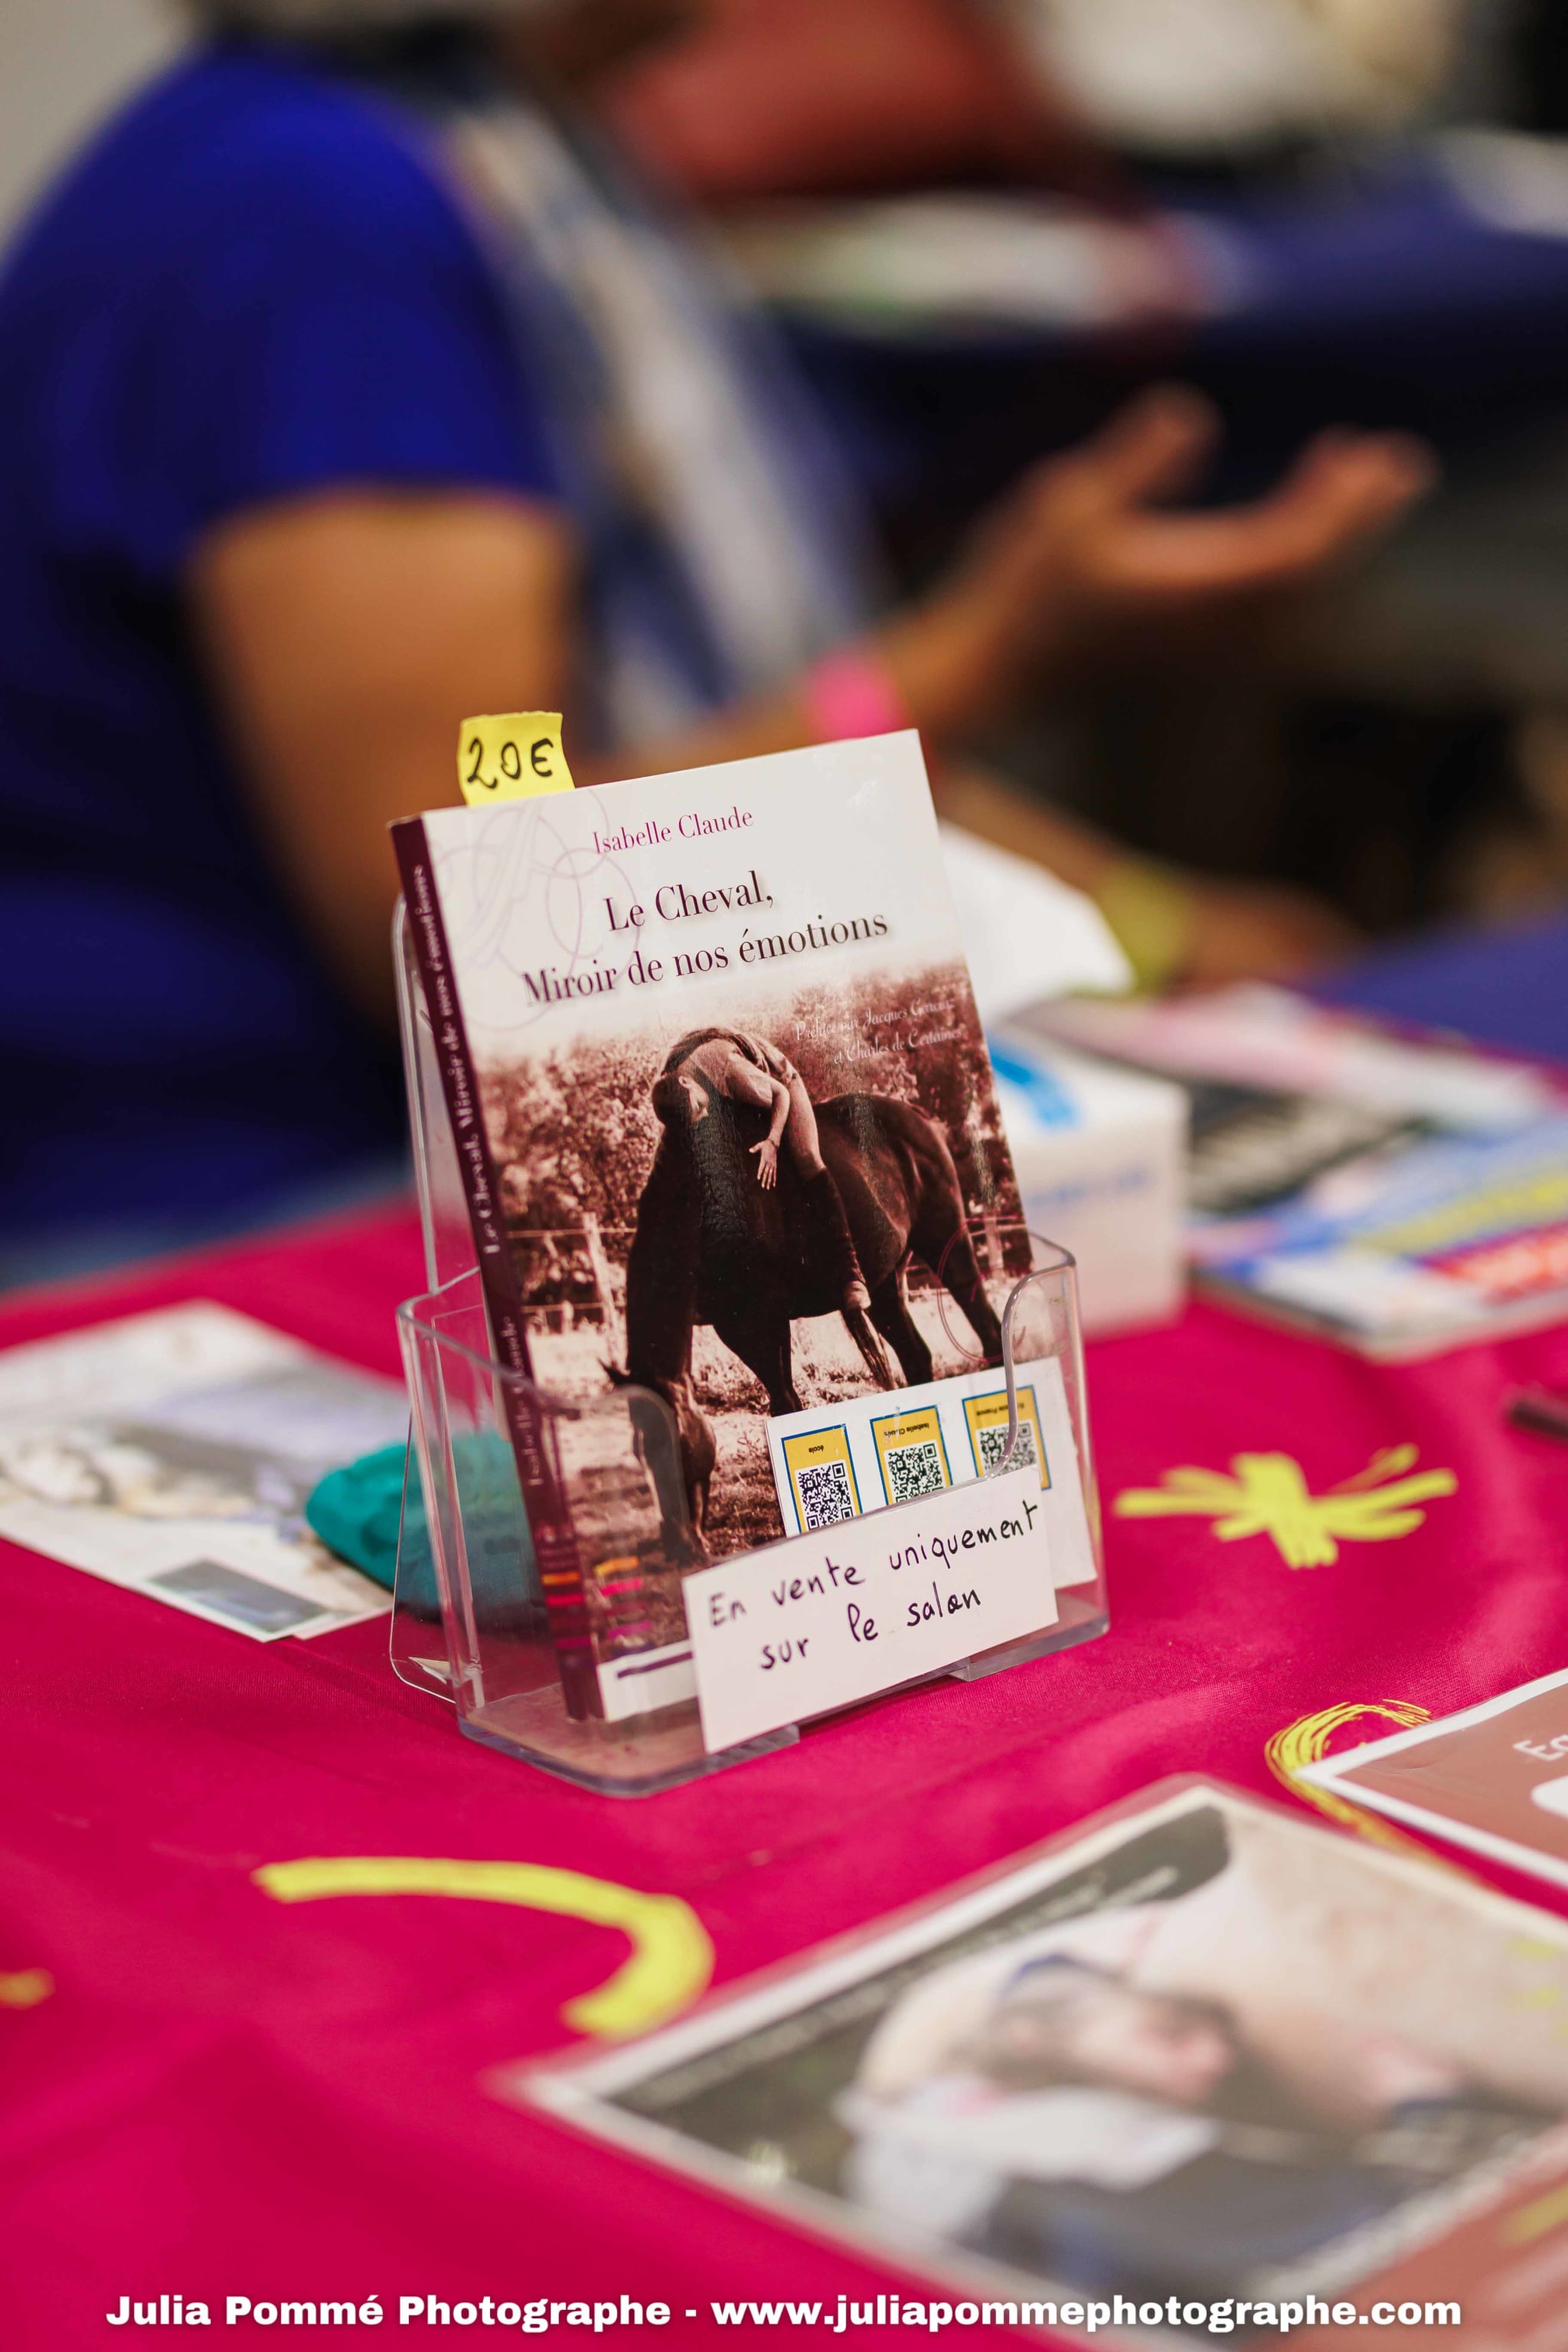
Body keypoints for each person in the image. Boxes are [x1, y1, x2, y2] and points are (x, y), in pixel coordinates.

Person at [0, 0, 1432, 1276]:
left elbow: (700, 733)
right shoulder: (316, 217)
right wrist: (985, 655)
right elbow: (477, 872)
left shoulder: (507, 155)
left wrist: (1152, 923)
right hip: (240, 1217)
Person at [653, 1027, 869, 1311]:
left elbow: (779, 1095)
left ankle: (850, 1273)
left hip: (778, 1083)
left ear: (686, 1082)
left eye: (697, 1107)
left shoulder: (729, 1072)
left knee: (806, 1157)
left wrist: (772, 1142)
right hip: (726, 1095)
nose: (702, 1114)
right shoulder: (672, 1090)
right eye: (695, 1116)